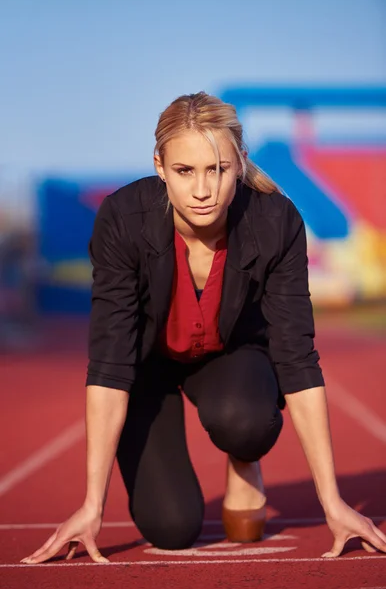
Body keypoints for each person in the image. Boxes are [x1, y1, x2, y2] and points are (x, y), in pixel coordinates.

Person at [22, 92, 386, 565]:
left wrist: (332, 502)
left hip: (230, 356)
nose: (202, 190)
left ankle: (244, 458)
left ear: (240, 163)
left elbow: (297, 358)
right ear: (159, 165)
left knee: (246, 422)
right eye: (184, 171)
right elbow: (110, 362)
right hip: (148, 370)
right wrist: (92, 505)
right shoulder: (123, 220)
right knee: (171, 529)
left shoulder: (276, 222)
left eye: (217, 170)